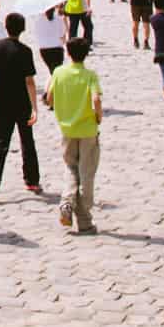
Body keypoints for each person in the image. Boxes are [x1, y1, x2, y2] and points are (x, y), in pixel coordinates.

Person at [46, 37, 102, 235]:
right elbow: (96, 98)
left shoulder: (59, 72)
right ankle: (84, 213)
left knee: (71, 168)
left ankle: (68, 204)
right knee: (86, 173)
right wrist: (98, 116)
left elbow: (49, 96)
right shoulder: (90, 75)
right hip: (87, 129)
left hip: (67, 129)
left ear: (68, 53)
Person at [0, 12, 39, 203]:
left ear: (6, 27)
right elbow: (29, 81)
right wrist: (34, 108)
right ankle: (31, 180)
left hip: (0, 101)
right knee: (27, 142)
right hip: (21, 101)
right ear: (22, 29)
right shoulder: (25, 51)